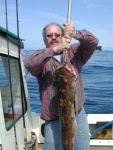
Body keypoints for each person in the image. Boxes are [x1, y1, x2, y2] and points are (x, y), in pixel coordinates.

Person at [24, 22, 99, 150]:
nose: (54, 37)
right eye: (49, 35)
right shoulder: (41, 58)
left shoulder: (75, 52)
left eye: (57, 35)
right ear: (44, 39)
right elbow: (28, 63)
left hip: (77, 115)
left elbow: (93, 42)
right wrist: (55, 49)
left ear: (63, 35)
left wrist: (76, 33)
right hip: (53, 120)